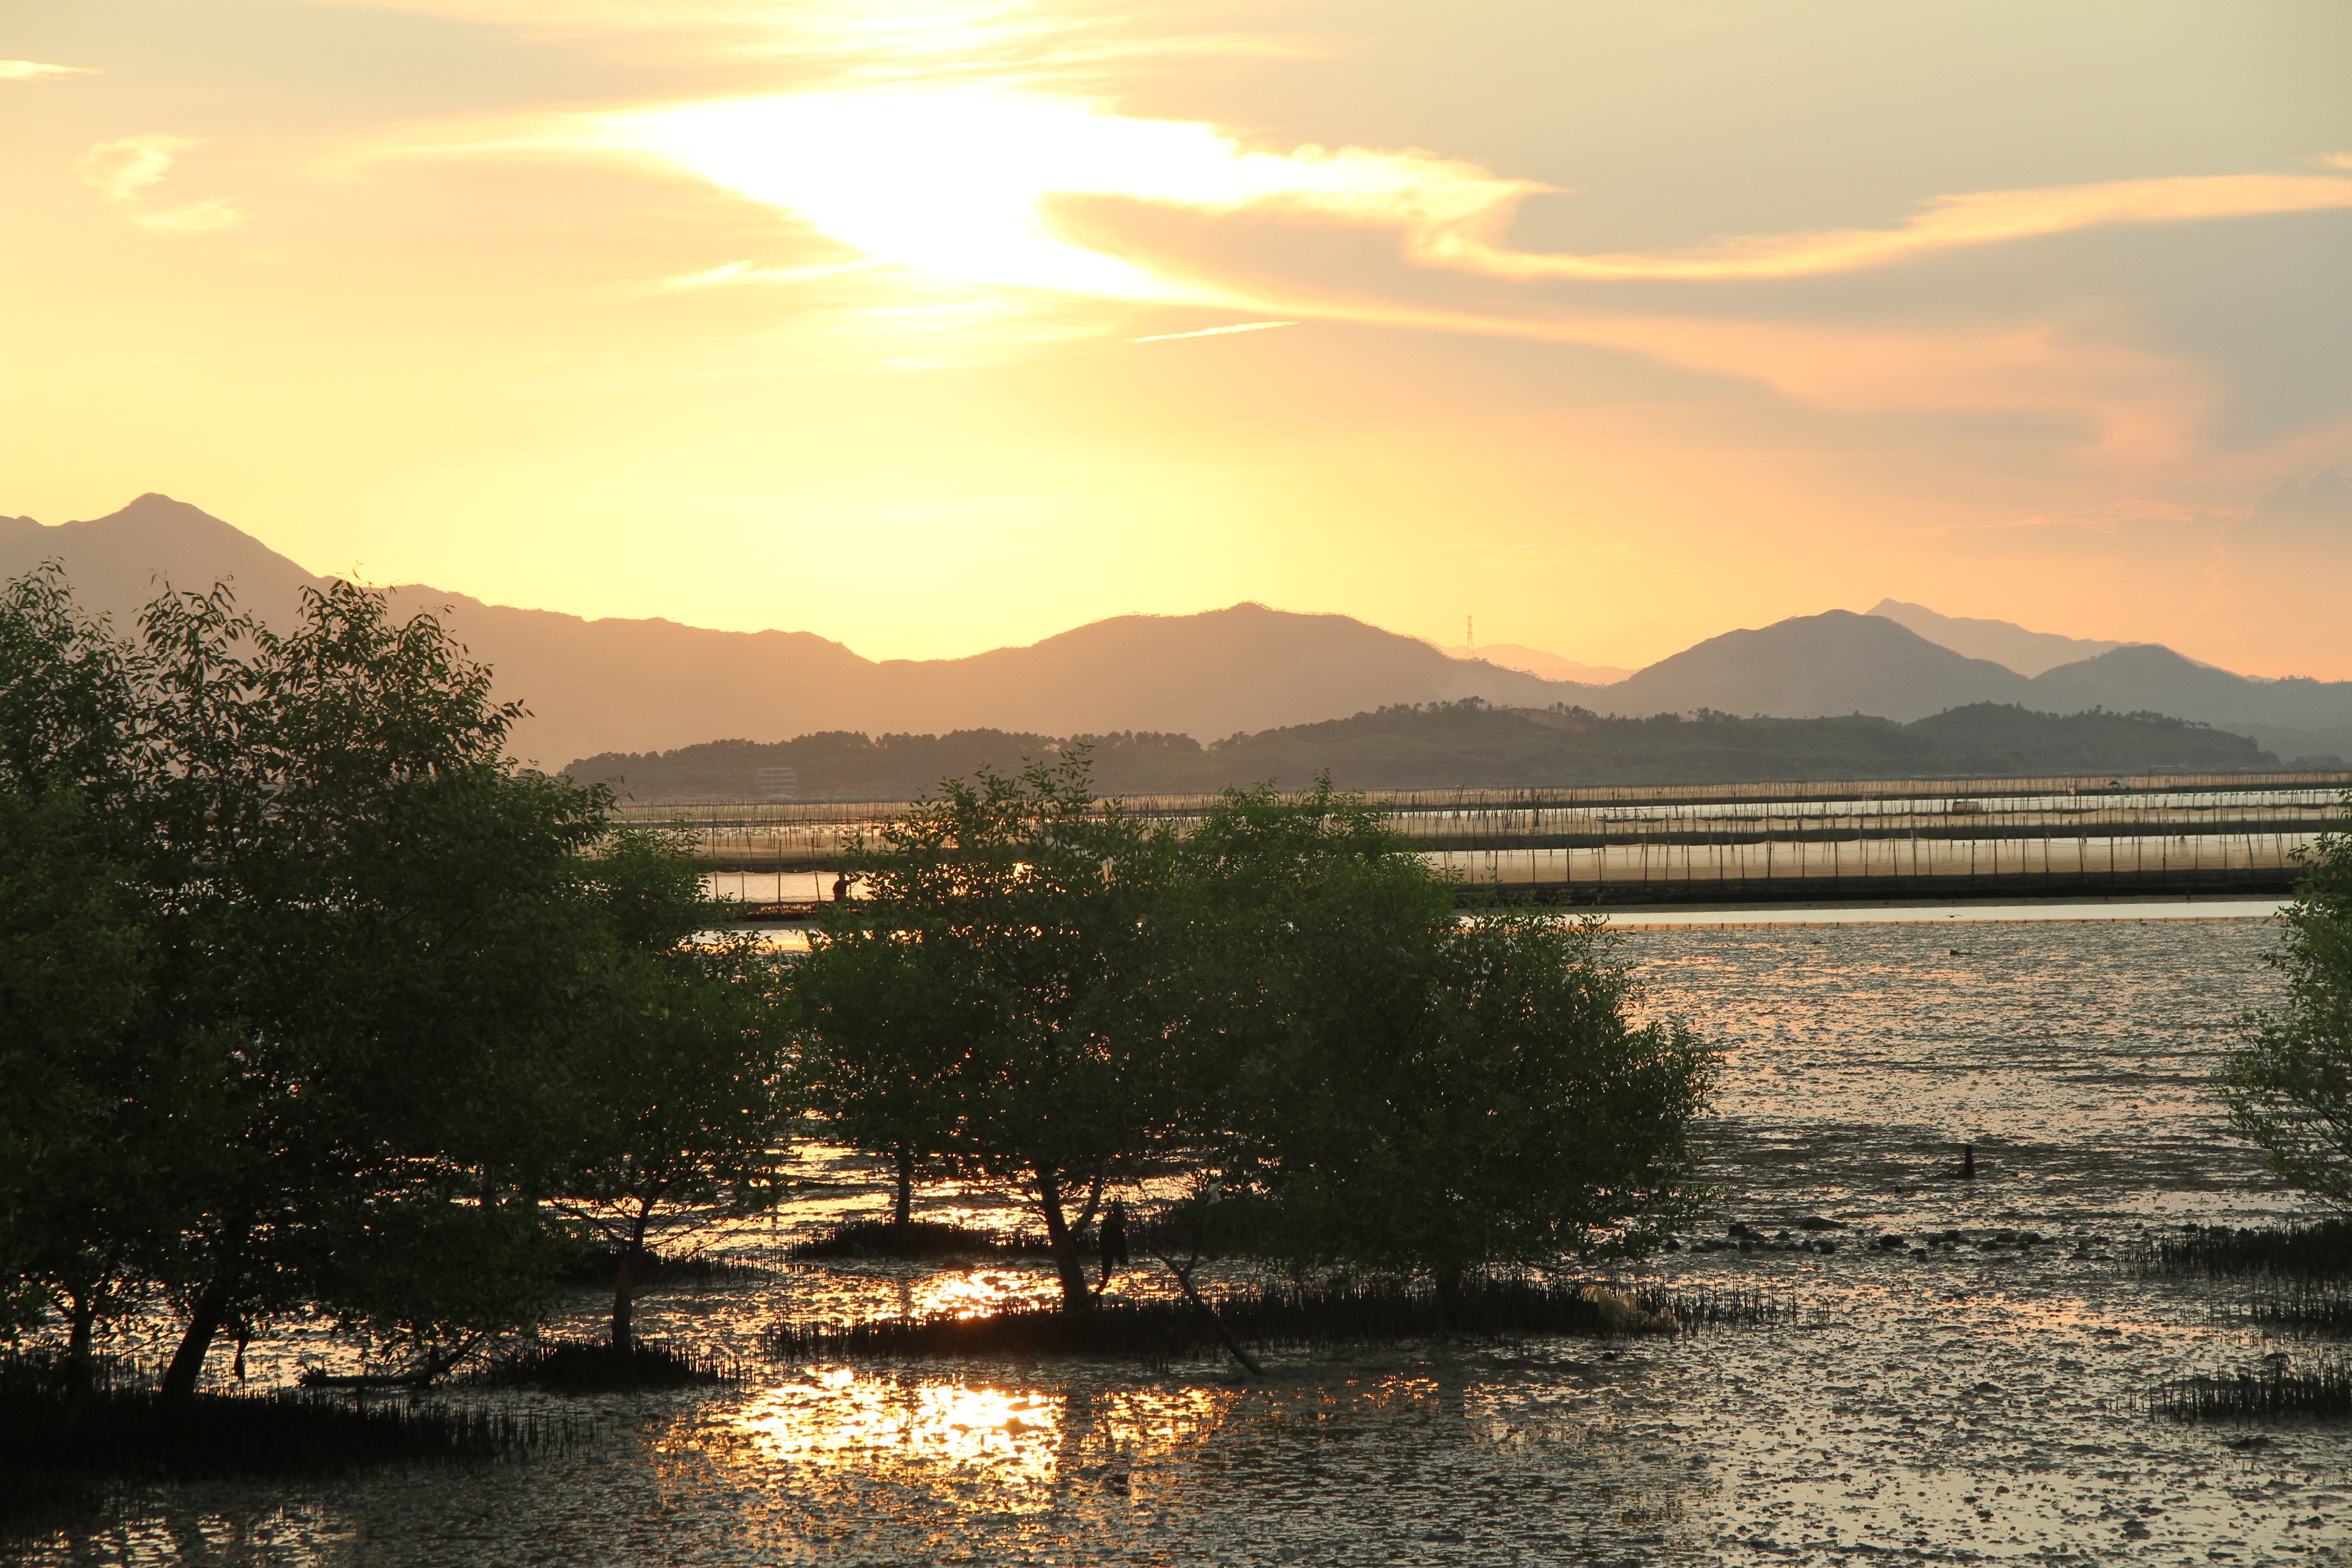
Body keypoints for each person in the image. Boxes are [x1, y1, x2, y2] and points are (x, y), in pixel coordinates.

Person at [1098, 1199, 1130, 1288]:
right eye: (1117, 1212)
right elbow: (1102, 1239)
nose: (1118, 1214)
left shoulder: (1118, 1223)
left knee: (1124, 1266)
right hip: (1109, 1248)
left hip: (1119, 1245)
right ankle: (1104, 1284)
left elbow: (1124, 1227)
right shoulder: (1107, 1223)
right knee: (1106, 1272)